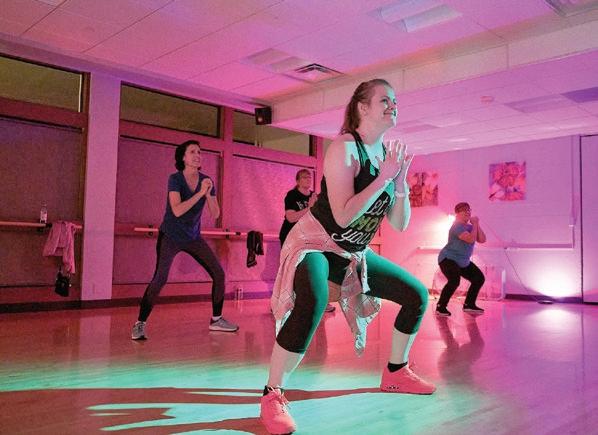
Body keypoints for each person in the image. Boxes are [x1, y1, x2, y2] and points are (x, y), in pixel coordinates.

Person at [260, 79, 435, 435]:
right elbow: (341, 216)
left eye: (395, 101)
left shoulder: (385, 157)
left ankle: (396, 372)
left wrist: (400, 183)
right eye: (384, 100)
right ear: (362, 107)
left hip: (353, 251)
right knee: (314, 300)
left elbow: (400, 224)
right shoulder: (344, 148)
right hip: (316, 242)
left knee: (416, 295)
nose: (393, 105)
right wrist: (383, 178)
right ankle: (272, 393)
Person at [131, 140, 238, 340]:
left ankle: (216, 320)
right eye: (192, 152)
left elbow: (215, 214)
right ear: (183, 157)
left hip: (192, 237)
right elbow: (177, 210)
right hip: (170, 236)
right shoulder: (175, 179)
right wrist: (200, 193)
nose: (197, 155)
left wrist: (208, 194)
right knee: (160, 278)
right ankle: (140, 323)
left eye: (199, 152)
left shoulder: (206, 180)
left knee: (219, 273)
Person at [279, 169, 335, 313]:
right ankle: (284, 303)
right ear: (298, 181)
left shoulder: (314, 196)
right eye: (304, 177)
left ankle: (319, 301)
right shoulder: (292, 195)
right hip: (291, 236)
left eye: (309, 177)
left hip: (308, 237)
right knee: (291, 270)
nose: (308, 179)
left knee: (315, 267)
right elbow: (291, 217)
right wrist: (309, 208)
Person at [435, 202, 487, 317]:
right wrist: (474, 224)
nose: (467, 212)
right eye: (464, 210)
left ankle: (469, 305)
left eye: (469, 210)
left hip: (463, 262)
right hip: (448, 259)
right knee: (454, 280)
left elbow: (482, 239)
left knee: (479, 279)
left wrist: (476, 224)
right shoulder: (456, 227)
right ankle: (440, 307)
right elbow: (470, 239)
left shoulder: (471, 227)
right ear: (457, 213)